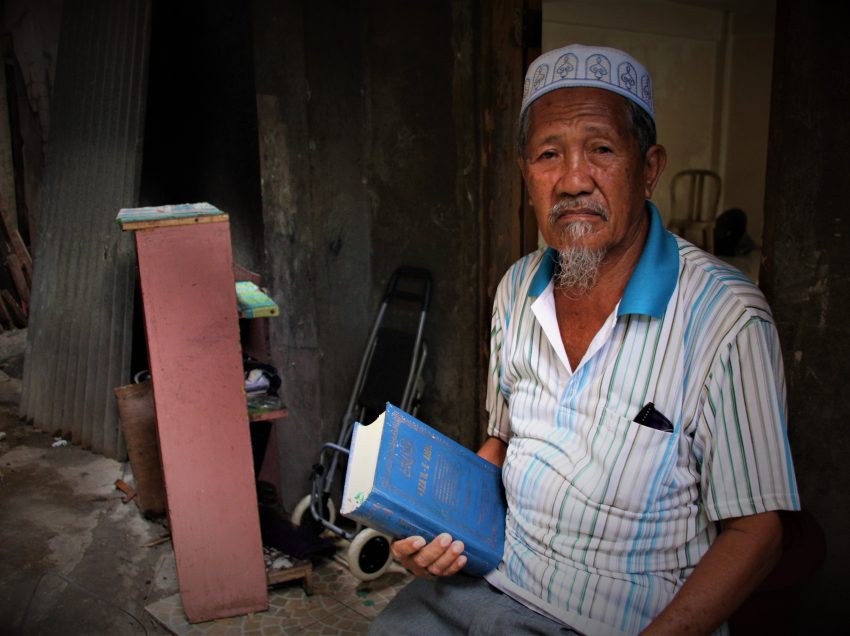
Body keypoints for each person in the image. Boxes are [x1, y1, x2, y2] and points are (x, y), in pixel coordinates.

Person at [369, 44, 799, 636]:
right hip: (485, 582)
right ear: (527, 176)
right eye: (549, 154)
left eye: (601, 149)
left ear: (648, 168)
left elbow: (758, 535)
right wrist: (440, 530)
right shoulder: (516, 288)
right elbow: (501, 442)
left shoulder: (726, 318)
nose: (573, 179)